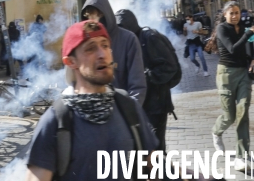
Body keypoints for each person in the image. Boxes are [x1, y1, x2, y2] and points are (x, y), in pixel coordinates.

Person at [25, 20, 158, 181]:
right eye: (90, 48)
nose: (102, 54)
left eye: (105, 45)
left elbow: (155, 166)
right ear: (70, 61)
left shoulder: (128, 106)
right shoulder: (56, 120)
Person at [116, 9, 176, 152]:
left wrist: (144, 76)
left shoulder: (150, 38)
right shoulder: (128, 43)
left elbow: (170, 67)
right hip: (141, 103)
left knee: (155, 149)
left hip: (156, 104)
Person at [211, 1, 254, 171]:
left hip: (243, 74)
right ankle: (217, 132)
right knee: (229, 116)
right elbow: (232, 49)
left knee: (243, 111)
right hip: (226, 74)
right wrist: (247, 34)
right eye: (231, 13)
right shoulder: (222, 29)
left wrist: (252, 59)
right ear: (225, 14)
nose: (234, 16)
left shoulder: (243, 27)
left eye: (237, 13)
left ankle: (242, 157)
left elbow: (248, 46)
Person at [81, 0, 147, 105]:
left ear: (104, 16)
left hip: (121, 113)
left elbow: (137, 86)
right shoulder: (83, 43)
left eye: (94, 17)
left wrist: (130, 113)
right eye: (87, 17)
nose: (91, 22)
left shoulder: (128, 39)